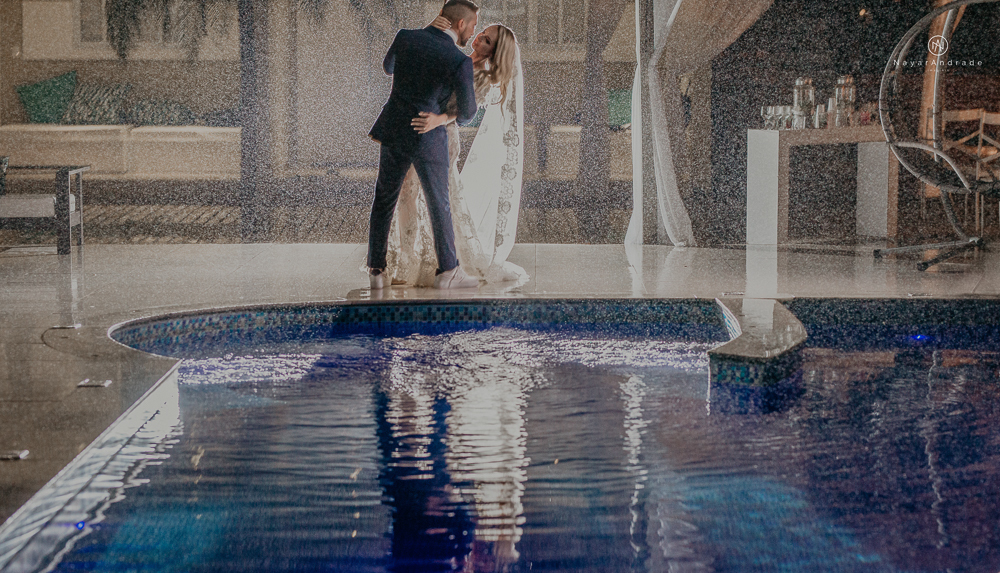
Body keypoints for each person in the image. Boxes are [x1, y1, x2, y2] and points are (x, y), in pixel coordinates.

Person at [382, 17, 528, 288]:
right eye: (482, 32)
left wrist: (439, 119)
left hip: (442, 135)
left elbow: (464, 113)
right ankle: (407, 261)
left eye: (487, 40)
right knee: (406, 194)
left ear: (494, 52)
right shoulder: (455, 57)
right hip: (416, 129)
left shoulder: (482, 75)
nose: (479, 37)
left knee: (439, 199)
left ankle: (445, 263)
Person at [367, 0, 482, 290]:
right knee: (438, 202)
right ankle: (448, 271)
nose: (473, 32)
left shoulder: (405, 37)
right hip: (428, 137)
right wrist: (441, 117)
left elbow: (388, 67)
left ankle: (377, 272)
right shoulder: (459, 60)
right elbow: (468, 114)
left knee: (384, 198)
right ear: (460, 24)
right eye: (473, 25)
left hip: (394, 129)